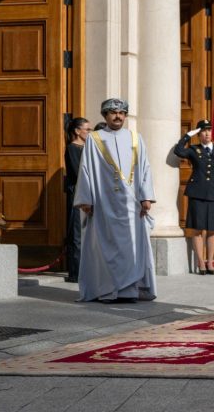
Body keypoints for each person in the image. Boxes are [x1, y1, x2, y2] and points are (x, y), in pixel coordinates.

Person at [74, 98, 156, 303]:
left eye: (121, 112)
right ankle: (107, 290)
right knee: (105, 246)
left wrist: (146, 196)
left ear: (126, 115)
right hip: (104, 203)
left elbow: (145, 168)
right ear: (105, 116)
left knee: (131, 247)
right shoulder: (95, 138)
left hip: (132, 204)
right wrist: (86, 198)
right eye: (112, 112)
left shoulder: (136, 138)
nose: (117, 116)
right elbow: (85, 169)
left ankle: (129, 291)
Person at [174, 119, 214, 275]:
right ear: (199, 134)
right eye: (203, 131)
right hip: (197, 193)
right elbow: (178, 150)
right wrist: (188, 135)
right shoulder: (193, 150)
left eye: (209, 130)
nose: (207, 133)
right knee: (196, 229)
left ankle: (210, 262)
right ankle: (200, 261)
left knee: (212, 230)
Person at [64, 117, 91, 283]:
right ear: (77, 131)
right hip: (78, 193)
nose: (89, 132)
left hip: (88, 193)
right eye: (87, 129)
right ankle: (75, 272)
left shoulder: (88, 147)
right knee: (76, 233)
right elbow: (77, 171)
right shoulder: (72, 148)